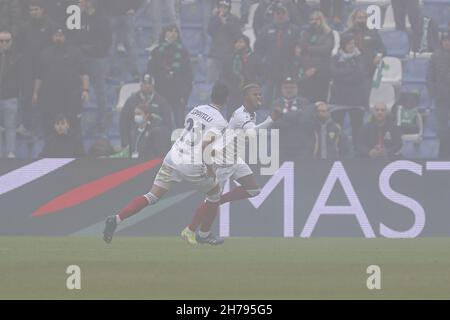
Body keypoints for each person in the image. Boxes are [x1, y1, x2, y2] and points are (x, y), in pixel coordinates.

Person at [103, 82, 230, 245]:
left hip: (173, 156)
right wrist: (210, 169)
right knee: (214, 193)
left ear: (212, 95)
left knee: (152, 196)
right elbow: (205, 145)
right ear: (226, 100)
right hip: (191, 163)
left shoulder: (196, 109)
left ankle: (116, 219)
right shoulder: (220, 122)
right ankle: (204, 234)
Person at [183, 83, 282, 245]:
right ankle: (191, 230)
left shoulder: (251, 114)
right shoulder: (241, 115)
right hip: (221, 161)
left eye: (260, 94)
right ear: (246, 97)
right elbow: (251, 133)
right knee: (211, 200)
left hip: (234, 160)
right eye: (255, 94)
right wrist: (271, 119)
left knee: (253, 190)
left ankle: (218, 201)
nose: (259, 97)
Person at [33, 28, 89, 141]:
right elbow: (39, 76)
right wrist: (35, 92)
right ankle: (50, 151)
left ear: (65, 37)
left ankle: (75, 152)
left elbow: (84, 73)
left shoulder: (74, 51)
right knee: (49, 125)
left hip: (71, 96)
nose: (58, 38)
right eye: (56, 36)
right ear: (52, 37)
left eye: (61, 35)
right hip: (50, 96)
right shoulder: (45, 53)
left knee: (73, 124)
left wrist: (85, 90)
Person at [68, 0, 113, 137]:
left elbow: (106, 41)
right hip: (80, 59)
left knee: (100, 92)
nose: (79, 2)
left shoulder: (102, 19)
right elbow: (73, 37)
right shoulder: (78, 18)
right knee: (77, 89)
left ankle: (102, 123)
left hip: (97, 59)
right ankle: (77, 122)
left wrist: (89, 48)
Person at [16, 0, 56, 137]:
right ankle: (26, 125)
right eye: (31, 10)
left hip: (45, 70)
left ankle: (45, 128)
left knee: (45, 98)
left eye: (36, 9)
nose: (33, 12)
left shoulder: (51, 26)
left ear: (43, 10)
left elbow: (55, 47)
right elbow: (19, 47)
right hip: (28, 69)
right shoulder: (24, 27)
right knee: (26, 97)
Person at [254, 2, 300, 107]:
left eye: (283, 13)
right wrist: (260, 62)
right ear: (274, 15)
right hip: (269, 67)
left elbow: (299, 47)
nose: (280, 16)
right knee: (266, 96)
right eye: (278, 13)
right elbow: (258, 47)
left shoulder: (294, 30)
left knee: (282, 98)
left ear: (287, 15)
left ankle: (280, 118)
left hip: (287, 68)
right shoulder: (266, 29)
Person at [147, 25, 193, 129]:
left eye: (175, 31)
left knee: (179, 125)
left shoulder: (183, 51)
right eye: (170, 31)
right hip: (161, 91)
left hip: (178, 92)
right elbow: (150, 71)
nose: (173, 34)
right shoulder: (157, 51)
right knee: (161, 125)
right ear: (164, 34)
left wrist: (185, 95)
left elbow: (188, 75)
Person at [330, 33, 368, 147]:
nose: (352, 46)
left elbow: (360, 75)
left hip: (356, 98)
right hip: (339, 98)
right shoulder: (335, 58)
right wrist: (351, 69)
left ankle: (358, 150)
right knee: (337, 127)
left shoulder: (359, 58)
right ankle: (338, 149)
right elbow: (334, 73)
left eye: (353, 43)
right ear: (343, 45)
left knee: (357, 127)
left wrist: (344, 74)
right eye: (349, 43)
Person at [120, 73, 174, 149]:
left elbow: (168, 124)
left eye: (149, 84)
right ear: (141, 85)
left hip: (156, 141)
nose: (147, 86)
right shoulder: (131, 101)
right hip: (135, 138)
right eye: (145, 84)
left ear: (153, 85)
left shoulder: (162, 102)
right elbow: (124, 123)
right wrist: (125, 143)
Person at [298, 10, 334, 103]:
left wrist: (309, 48)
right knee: (306, 97)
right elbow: (302, 48)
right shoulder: (306, 32)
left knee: (320, 98)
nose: (314, 21)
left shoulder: (328, 33)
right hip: (307, 69)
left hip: (322, 70)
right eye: (312, 19)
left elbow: (326, 49)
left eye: (317, 19)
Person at [221, 34, 259, 118]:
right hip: (233, 91)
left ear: (247, 44)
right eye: (236, 42)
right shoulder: (229, 58)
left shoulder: (254, 57)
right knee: (232, 115)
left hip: (250, 91)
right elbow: (224, 75)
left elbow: (260, 73)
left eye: (241, 42)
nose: (238, 44)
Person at [207, 0, 242, 84]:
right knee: (211, 80)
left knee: (227, 81)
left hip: (228, 55)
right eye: (221, 7)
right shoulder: (214, 18)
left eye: (225, 7)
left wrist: (225, 24)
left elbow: (237, 36)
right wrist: (217, 19)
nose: (222, 9)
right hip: (214, 54)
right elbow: (210, 31)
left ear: (229, 8)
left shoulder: (234, 19)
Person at [345, 9, 386, 80]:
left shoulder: (372, 33)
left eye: (364, 18)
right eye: (360, 18)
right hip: (350, 67)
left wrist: (378, 56)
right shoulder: (347, 34)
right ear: (354, 19)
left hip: (369, 66)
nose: (362, 20)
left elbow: (382, 49)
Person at [427, 33, 450, 158]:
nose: (447, 43)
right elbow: (429, 77)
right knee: (442, 128)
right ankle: (444, 154)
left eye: (449, 40)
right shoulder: (435, 56)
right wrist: (434, 92)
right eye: (445, 40)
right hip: (442, 97)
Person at [0, 28, 20, 158]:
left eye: (7, 41)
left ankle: (10, 153)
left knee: (10, 126)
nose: (4, 43)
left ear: (12, 41)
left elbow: (21, 77)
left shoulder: (17, 57)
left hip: (10, 96)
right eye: (1, 41)